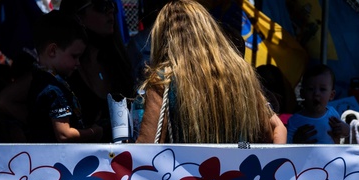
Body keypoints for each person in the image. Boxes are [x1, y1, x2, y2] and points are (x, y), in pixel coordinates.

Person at [135, 0, 286, 144]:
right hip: (237, 167)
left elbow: (148, 146)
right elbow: (271, 132)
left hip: (187, 169)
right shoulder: (242, 75)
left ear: (163, 39)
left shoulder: (164, 80)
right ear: (210, 31)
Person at [60, 0, 136, 141]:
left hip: (122, 158)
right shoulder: (63, 66)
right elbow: (6, 101)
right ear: (78, 16)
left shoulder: (119, 62)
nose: (110, 11)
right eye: (102, 5)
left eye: (112, 5)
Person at [27, 11, 105, 142]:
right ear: (52, 51)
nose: (78, 63)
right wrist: (94, 132)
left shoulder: (38, 79)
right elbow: (64, 134)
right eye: (74, 56)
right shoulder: (53, 89)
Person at [287, 63, 349, 144]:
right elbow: (286, 146)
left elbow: (344, 134)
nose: (316, 93)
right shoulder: (295, 120)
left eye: (322, 89)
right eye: (311, 89)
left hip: (331, 157)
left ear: (331, 95)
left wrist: (344, 129)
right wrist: (296, 140)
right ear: (302, 93)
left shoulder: (332, 114)